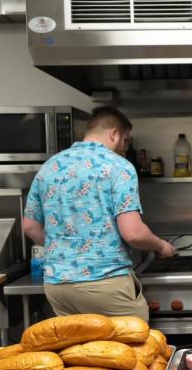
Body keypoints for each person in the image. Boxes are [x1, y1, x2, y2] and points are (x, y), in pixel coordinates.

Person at [22, 106, 176, 319]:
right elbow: (133, 233)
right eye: (125, 141)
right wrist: (161, 246)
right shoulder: (118, 167)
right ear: (114, 133)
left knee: (81, 350)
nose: (124, 148)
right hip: (104, 281)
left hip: (58, 286)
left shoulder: (49, 167)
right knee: (132, 348)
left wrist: (65, 250)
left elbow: (29, 226)